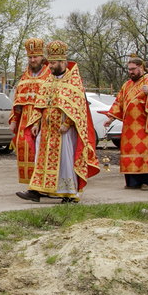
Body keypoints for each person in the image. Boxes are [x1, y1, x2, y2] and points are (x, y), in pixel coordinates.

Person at [25, 40, 100, 202]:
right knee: (41, 160)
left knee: (65, 161)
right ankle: (36, 190)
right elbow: (40, 104)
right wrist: (36, 123)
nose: (50, 66)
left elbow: (78, 108)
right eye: (49, 62)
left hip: (64, 130)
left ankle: (69, 194)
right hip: (46, 130)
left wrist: (67, 124)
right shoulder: (48, 80)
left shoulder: (73, 81)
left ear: (63, 62)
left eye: (53, 63)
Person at [105, 57, 148, 190]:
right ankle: (132, 182)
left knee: (144, 152)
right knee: (129, 152)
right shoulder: (127, 84)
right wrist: (110, 118)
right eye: (129, 69)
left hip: (146, 126)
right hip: (129, 127)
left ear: (141, 67)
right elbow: (119, 102)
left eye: (133, 69)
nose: (131, 72)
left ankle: (147, 181)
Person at [12, 38, 50, 202]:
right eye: (30, 58)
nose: (33, 60)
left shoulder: (49, 75)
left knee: (42, 153)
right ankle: (33, 186)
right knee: (26, 150)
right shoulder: (25, 75)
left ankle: (40, 187)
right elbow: (17, 99)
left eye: (36, 57)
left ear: (42, 57)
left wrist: (39, 120)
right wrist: (14, 118)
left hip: (43, 119)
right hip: (25, 119)